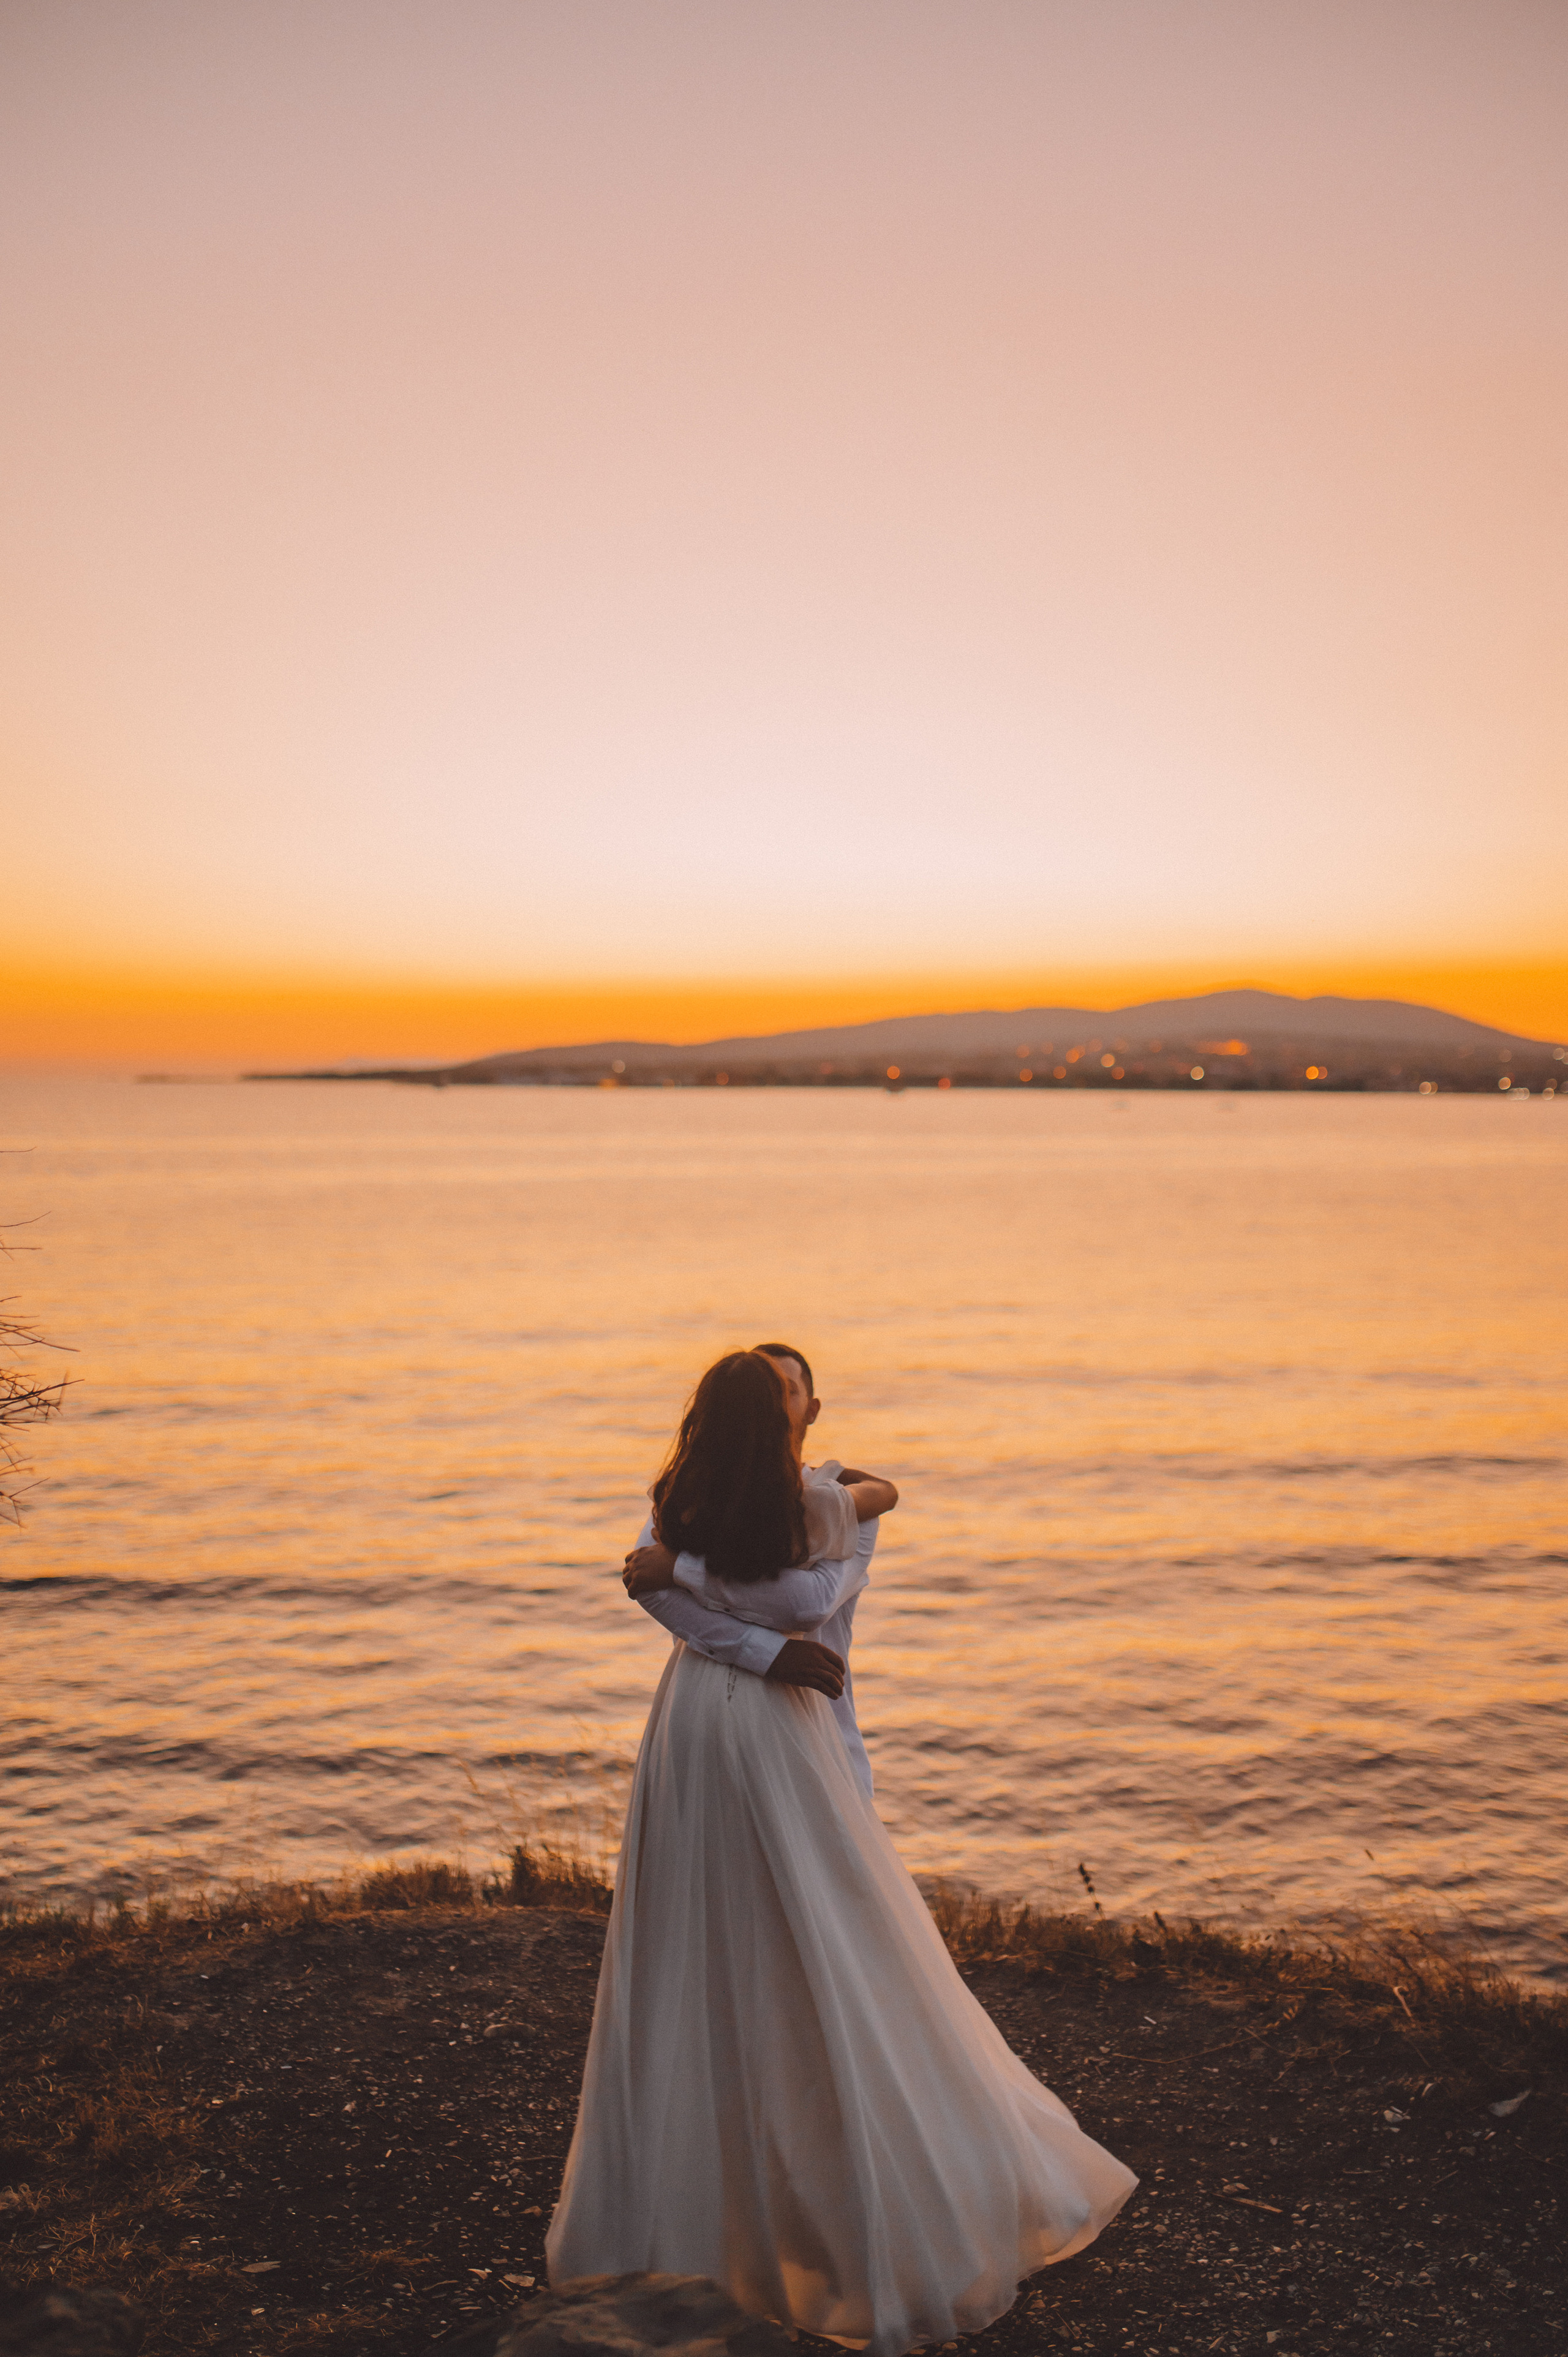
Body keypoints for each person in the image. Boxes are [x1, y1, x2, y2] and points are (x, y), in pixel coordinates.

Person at [546, 1349, 1136, 2356]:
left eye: (794, 1383)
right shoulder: (697, 1498)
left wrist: (694, 1578)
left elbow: (795, 1606)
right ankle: (743, 2226)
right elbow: (703, 1606)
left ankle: (829, 2214)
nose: (794, 1397)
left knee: (817, 1945)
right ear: (781, 1414)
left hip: (749, 1729)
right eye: (778, 1386)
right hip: (727, 1730)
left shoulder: (831, 1504)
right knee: (717, 1947)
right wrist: (753, 1643)